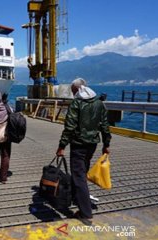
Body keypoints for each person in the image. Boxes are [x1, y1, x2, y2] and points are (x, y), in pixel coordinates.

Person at [56, 78, 111, 225]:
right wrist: (106, 144)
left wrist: (62, 146)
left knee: (79, 175)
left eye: (74, 92)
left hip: (79, 144)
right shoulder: (99, 103)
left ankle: (85, 213)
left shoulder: (77, 103)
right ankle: (76, 197)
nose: (73, 94)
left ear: (78, 90)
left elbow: (70, 127)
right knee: (81, 171)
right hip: (92, 144)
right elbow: (105, 125)